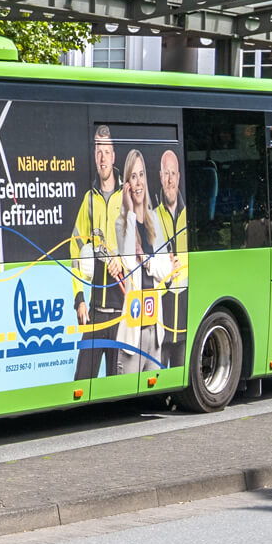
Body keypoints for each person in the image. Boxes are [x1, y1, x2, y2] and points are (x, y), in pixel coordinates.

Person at [112, 149, 172, 375]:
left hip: (155, 332)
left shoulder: (154, 220)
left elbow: (166, 269)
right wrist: (128, 211)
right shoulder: (121, 223)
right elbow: (127, 262)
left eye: (141, 175)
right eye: (133, 176)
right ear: (127, 183)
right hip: (132, 333)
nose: (138, 183)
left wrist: (147, 260)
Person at [72, 126, 124, 380]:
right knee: (81, 382)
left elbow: (145, 247)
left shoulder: (129, 198)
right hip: (95, 313)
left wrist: (122, 262)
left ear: (114, 156)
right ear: (94, 156)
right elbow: (75, 250)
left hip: (124, 316)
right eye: (98, 152)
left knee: (120, 385)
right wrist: (79, 298)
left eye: (106, 151)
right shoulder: (88, 201)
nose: (102, 158)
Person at [154, 149, 188, 369]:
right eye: (165, 174)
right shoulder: (152, 217)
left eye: (173, 173)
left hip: (186, 315)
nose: (169, 179)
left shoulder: (190, 216)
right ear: (160, 176)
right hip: (161, 319)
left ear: (179, 177)